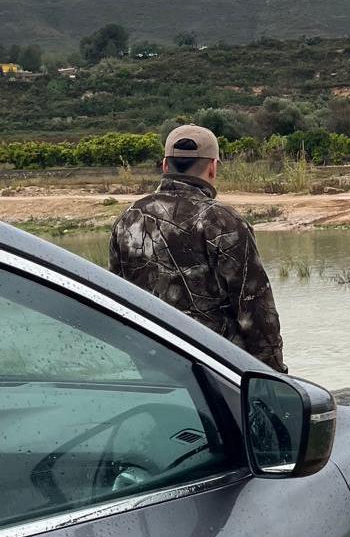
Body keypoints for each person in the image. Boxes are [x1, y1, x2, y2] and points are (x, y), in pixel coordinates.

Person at [110, 125, 286, 371]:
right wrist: (273, 376)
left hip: (150, 365)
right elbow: (256, 311)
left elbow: (118, 300)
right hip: (216, 370)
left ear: (165, 165)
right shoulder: (223, 222)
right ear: (213, 167)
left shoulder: (128, 219)